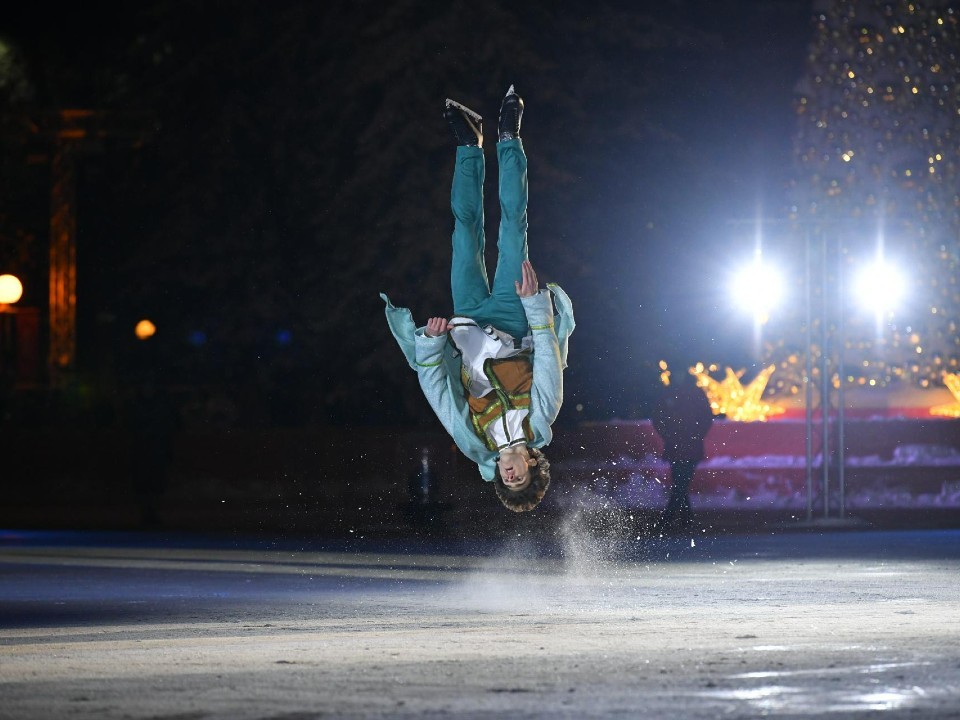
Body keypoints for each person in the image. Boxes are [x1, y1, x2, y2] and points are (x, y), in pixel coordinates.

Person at [381, 85, 574, 512]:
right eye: (521, 476)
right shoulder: (542, 418)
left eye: (509, 483)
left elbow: (442, 397)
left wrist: (430, 347)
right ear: (532, 464)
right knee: (512, 228)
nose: (511, 475)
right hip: (514, 316)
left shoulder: (475, 444)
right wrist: (536, 307)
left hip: (466, 325)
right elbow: (547, 359)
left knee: (464, 233)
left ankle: (469, 144)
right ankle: (510, 137)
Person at [651, 364, 714, 533]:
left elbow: (706, 417)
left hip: (689, 444)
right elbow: (658, 417)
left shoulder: (694, 393)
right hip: (676, 444)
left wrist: (696, 435)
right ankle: (685, 518)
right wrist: (668, 435)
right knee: (680, 483)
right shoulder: (669, 393)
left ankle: (669, 519)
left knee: (681, 482)